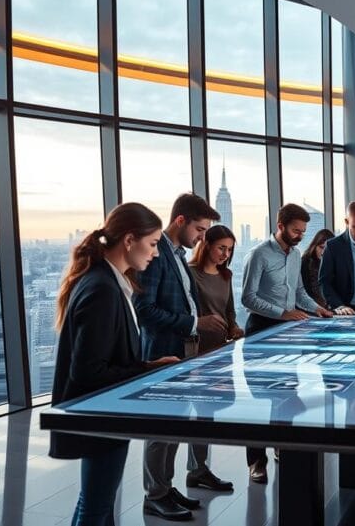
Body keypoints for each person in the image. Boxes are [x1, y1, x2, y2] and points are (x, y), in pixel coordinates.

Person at [49, 202, 180, 526]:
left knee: (96, 505)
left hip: (101, 414)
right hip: (100, 415)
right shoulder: (102, 289)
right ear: (129, 240)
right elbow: (89, 370)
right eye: (152, 244)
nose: (156, 253)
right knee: (96, 509)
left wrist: (148, 365)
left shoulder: (105, 281)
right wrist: (148, 370)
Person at [134, 194, 231, 522]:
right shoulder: (156, 253)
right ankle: (154, 495)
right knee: (160, 427)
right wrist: (194, 323)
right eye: (200, 229)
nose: (202, 237)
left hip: (185, 348)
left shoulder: (175, 254)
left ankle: (166, 486)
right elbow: (144, 310)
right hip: (163, 350)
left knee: (175, 423)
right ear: (180, 222)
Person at [242, 203, 334, 483]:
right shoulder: (258, 254)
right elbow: (248, 297)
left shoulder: (295, 256)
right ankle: (256, 462)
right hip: (260, 331)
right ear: (280, 226)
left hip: (288, 335)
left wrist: (317, 308)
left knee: (285, 395)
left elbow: (299, 292)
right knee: (259, 402)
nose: (300, 237)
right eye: (296, 231)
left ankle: (282, 445)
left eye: (304, 232)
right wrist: (282, 313)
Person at [190, 224, 246, 354]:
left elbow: (229, 310)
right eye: (221, 248)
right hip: (197, 345)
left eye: (230, 249)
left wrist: (234, 328)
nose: (226, 254)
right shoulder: (190, 273)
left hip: (222, 345)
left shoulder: (226, 274)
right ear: (207, 245)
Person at [301, 228, 335, 308]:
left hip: (332, 308)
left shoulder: (336, 262)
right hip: (310, 308)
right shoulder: (305, 262)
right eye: (321, 247)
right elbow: (303, 292)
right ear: (314, 246)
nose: (323, 252)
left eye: (327, 249)